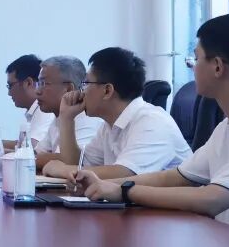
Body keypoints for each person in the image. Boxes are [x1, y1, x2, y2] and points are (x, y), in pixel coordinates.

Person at [73, 15, 229, 244]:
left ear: (217, 67)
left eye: (195, 58)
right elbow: (174, 177)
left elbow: (211, 200)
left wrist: (123, 191)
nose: (192, 67)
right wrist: (103, 184)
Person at [44, 47, 191, 179]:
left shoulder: (152, 121)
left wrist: (63, 170)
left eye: (86, 84)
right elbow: (78, 164)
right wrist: (66, 118)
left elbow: (124, 175)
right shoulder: (109, 125)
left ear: (107, 91)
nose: (81, 91)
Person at [33, 55, 102, 171]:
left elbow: (73, 161)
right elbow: (38, 153)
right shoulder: (58, 117)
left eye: (44, 83)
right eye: (38, 83)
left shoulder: (86, 118)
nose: (37, 91)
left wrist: (29, 159)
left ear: (69, 89)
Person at [3, 54, 55, 150]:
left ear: (28, 83)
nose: (9, 93)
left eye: (10, 86)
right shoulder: (35, 110)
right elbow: (22, 145)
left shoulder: (44, 109)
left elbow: (31, 150)